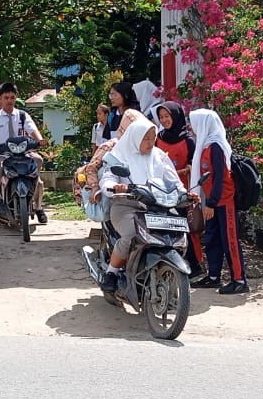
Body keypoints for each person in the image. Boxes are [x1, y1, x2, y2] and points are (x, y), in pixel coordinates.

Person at [97, 117, 183, 294]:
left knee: (178, 231)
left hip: (157, 206)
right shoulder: (118, 155)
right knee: (131, 234)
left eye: (153, 137)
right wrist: (115, 187)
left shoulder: (159, 155)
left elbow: (174, 181)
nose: (151, 142)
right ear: (135, 137)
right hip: (126, 205)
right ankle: (111, 273)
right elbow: (107, 178)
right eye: (146, 138)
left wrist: (185, 193)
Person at [189, 108, 248, 294]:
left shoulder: (216, 146)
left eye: (194, 123)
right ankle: (213, 276)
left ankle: (239, 280)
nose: (191, 127)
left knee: (229, 239)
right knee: (212, 238)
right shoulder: (205, 145)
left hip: (224, 201)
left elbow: (221, 177)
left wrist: (212, 203)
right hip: (213, 201)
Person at [0, 82, 49, 224]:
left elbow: (33, 130)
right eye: (6, 97)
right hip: (2, 154)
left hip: (23, 153)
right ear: (1, 98)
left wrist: (40, 140)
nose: (9, 101)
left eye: (12, 97)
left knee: (38, 161)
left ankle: (38, 206)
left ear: (16, 98)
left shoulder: (22, 116)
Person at [153, 101, 206, 277]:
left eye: (167, 116)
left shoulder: (188, 140)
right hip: (162, 191)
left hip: (183, 192)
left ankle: (194, 265)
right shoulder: (158, 138)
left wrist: (184, 170)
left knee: (186, 228)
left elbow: (194, 165)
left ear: (175, 116)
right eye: (161, 117)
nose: (164, 120)